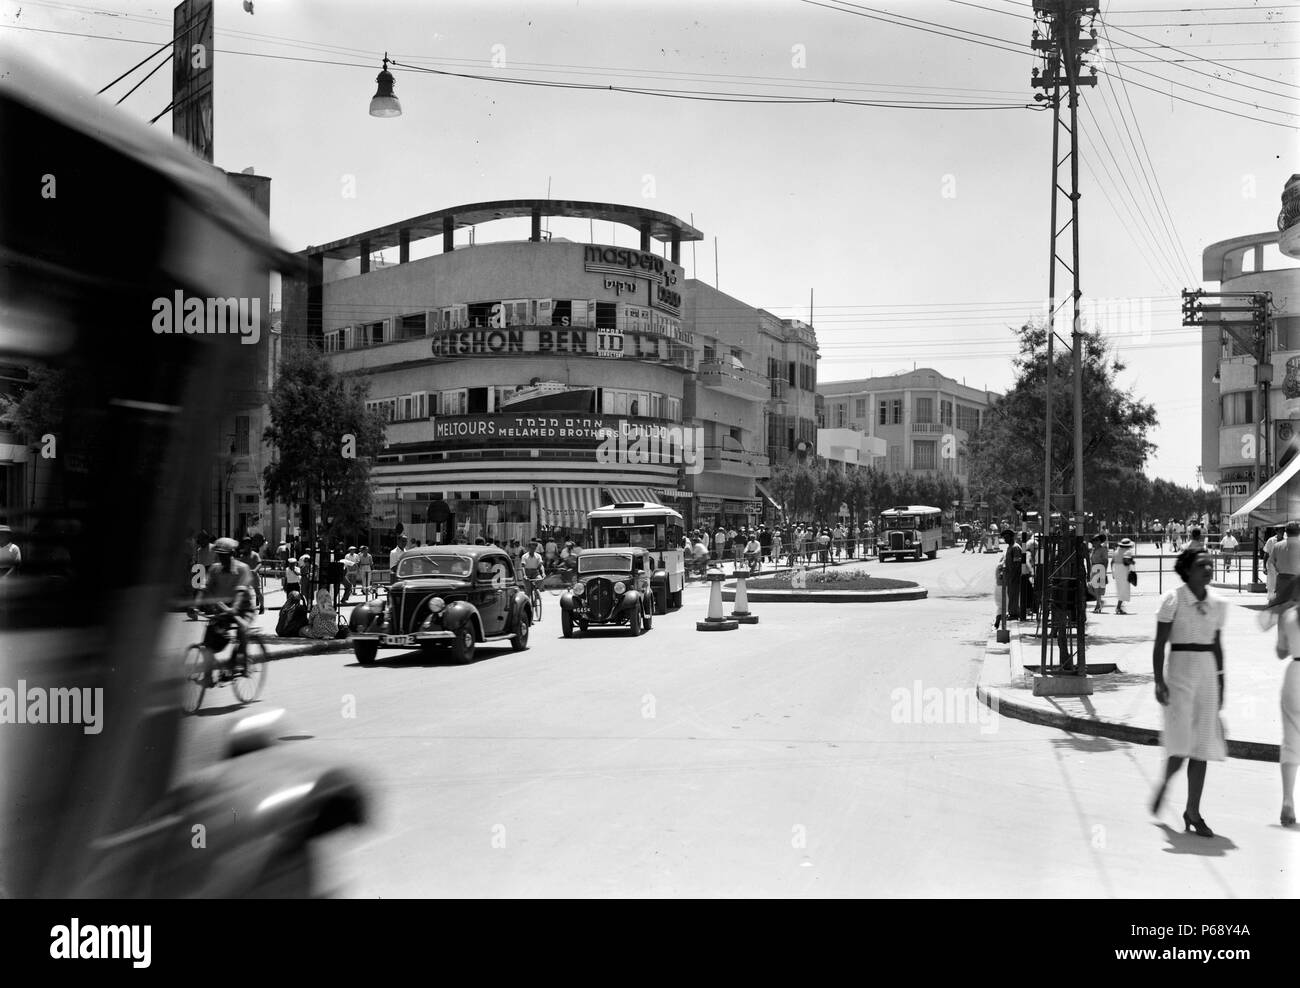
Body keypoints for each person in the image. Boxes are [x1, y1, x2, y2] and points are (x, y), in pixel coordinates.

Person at [1150, 548, 1227, 837]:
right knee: (1180, 744)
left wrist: (1221, 680)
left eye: (1210, 564)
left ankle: (1193, 811)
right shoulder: (1173, 599)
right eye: (1201, 564)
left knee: (1201, 746)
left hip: (1207, 675)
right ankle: (1165, 782)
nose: (1208, 568)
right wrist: (1159, 681)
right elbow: (1160, 644)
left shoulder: (1217, 603)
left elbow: (1217, 644)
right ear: (1187, 570)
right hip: (1180, 673)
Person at [1269, 577, 1300, 827]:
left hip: (1295, 675)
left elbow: (1281, 652)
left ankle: (1288, 800)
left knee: (1291, 740)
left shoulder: (1289, 615)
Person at [1271, 521, 1300, 606]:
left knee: (1281, 606)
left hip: (1282, 580)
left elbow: (1272, 562)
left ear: (1286, 532)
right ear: (1299, 532)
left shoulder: (1277, 546)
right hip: (1297, 580)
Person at [1000, 529, 1024, 623]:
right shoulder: (1010, 547)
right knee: (1011, 594)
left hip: (1014, 576)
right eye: (1004, 538)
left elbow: (1017, 564)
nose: (1005, 539)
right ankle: (1011, 612)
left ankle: (1014, 614)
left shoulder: (1015, 547)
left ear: (1011, 537)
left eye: (1006, 538)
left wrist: (1013, 576)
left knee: (1014, 595)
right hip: (1010, 576)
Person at [1112, 537, 1136, 615]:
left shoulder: (1116, 551)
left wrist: (1113, 573)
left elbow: (1112, 562)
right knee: (1124, 589)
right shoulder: (1128, 552)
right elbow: (1126, 561)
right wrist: (1132, 562)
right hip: (1123, 570)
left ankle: (1120, 607)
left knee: (1120, 589)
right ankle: (1118, 607)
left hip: (1116, 570)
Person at [1088, 535, 1109, 614]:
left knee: (1097, 588)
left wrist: (1104, 572)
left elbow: (1106, 561)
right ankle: (1099, 601)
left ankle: (1098, 605)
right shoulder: (1093, 550)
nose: (1095, 542)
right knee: (1091, 588)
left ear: (1100, 541)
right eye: (1094, 541)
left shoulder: (1103, 550)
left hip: (1100, 568)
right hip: (1093, 569)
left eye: (1097, 540)